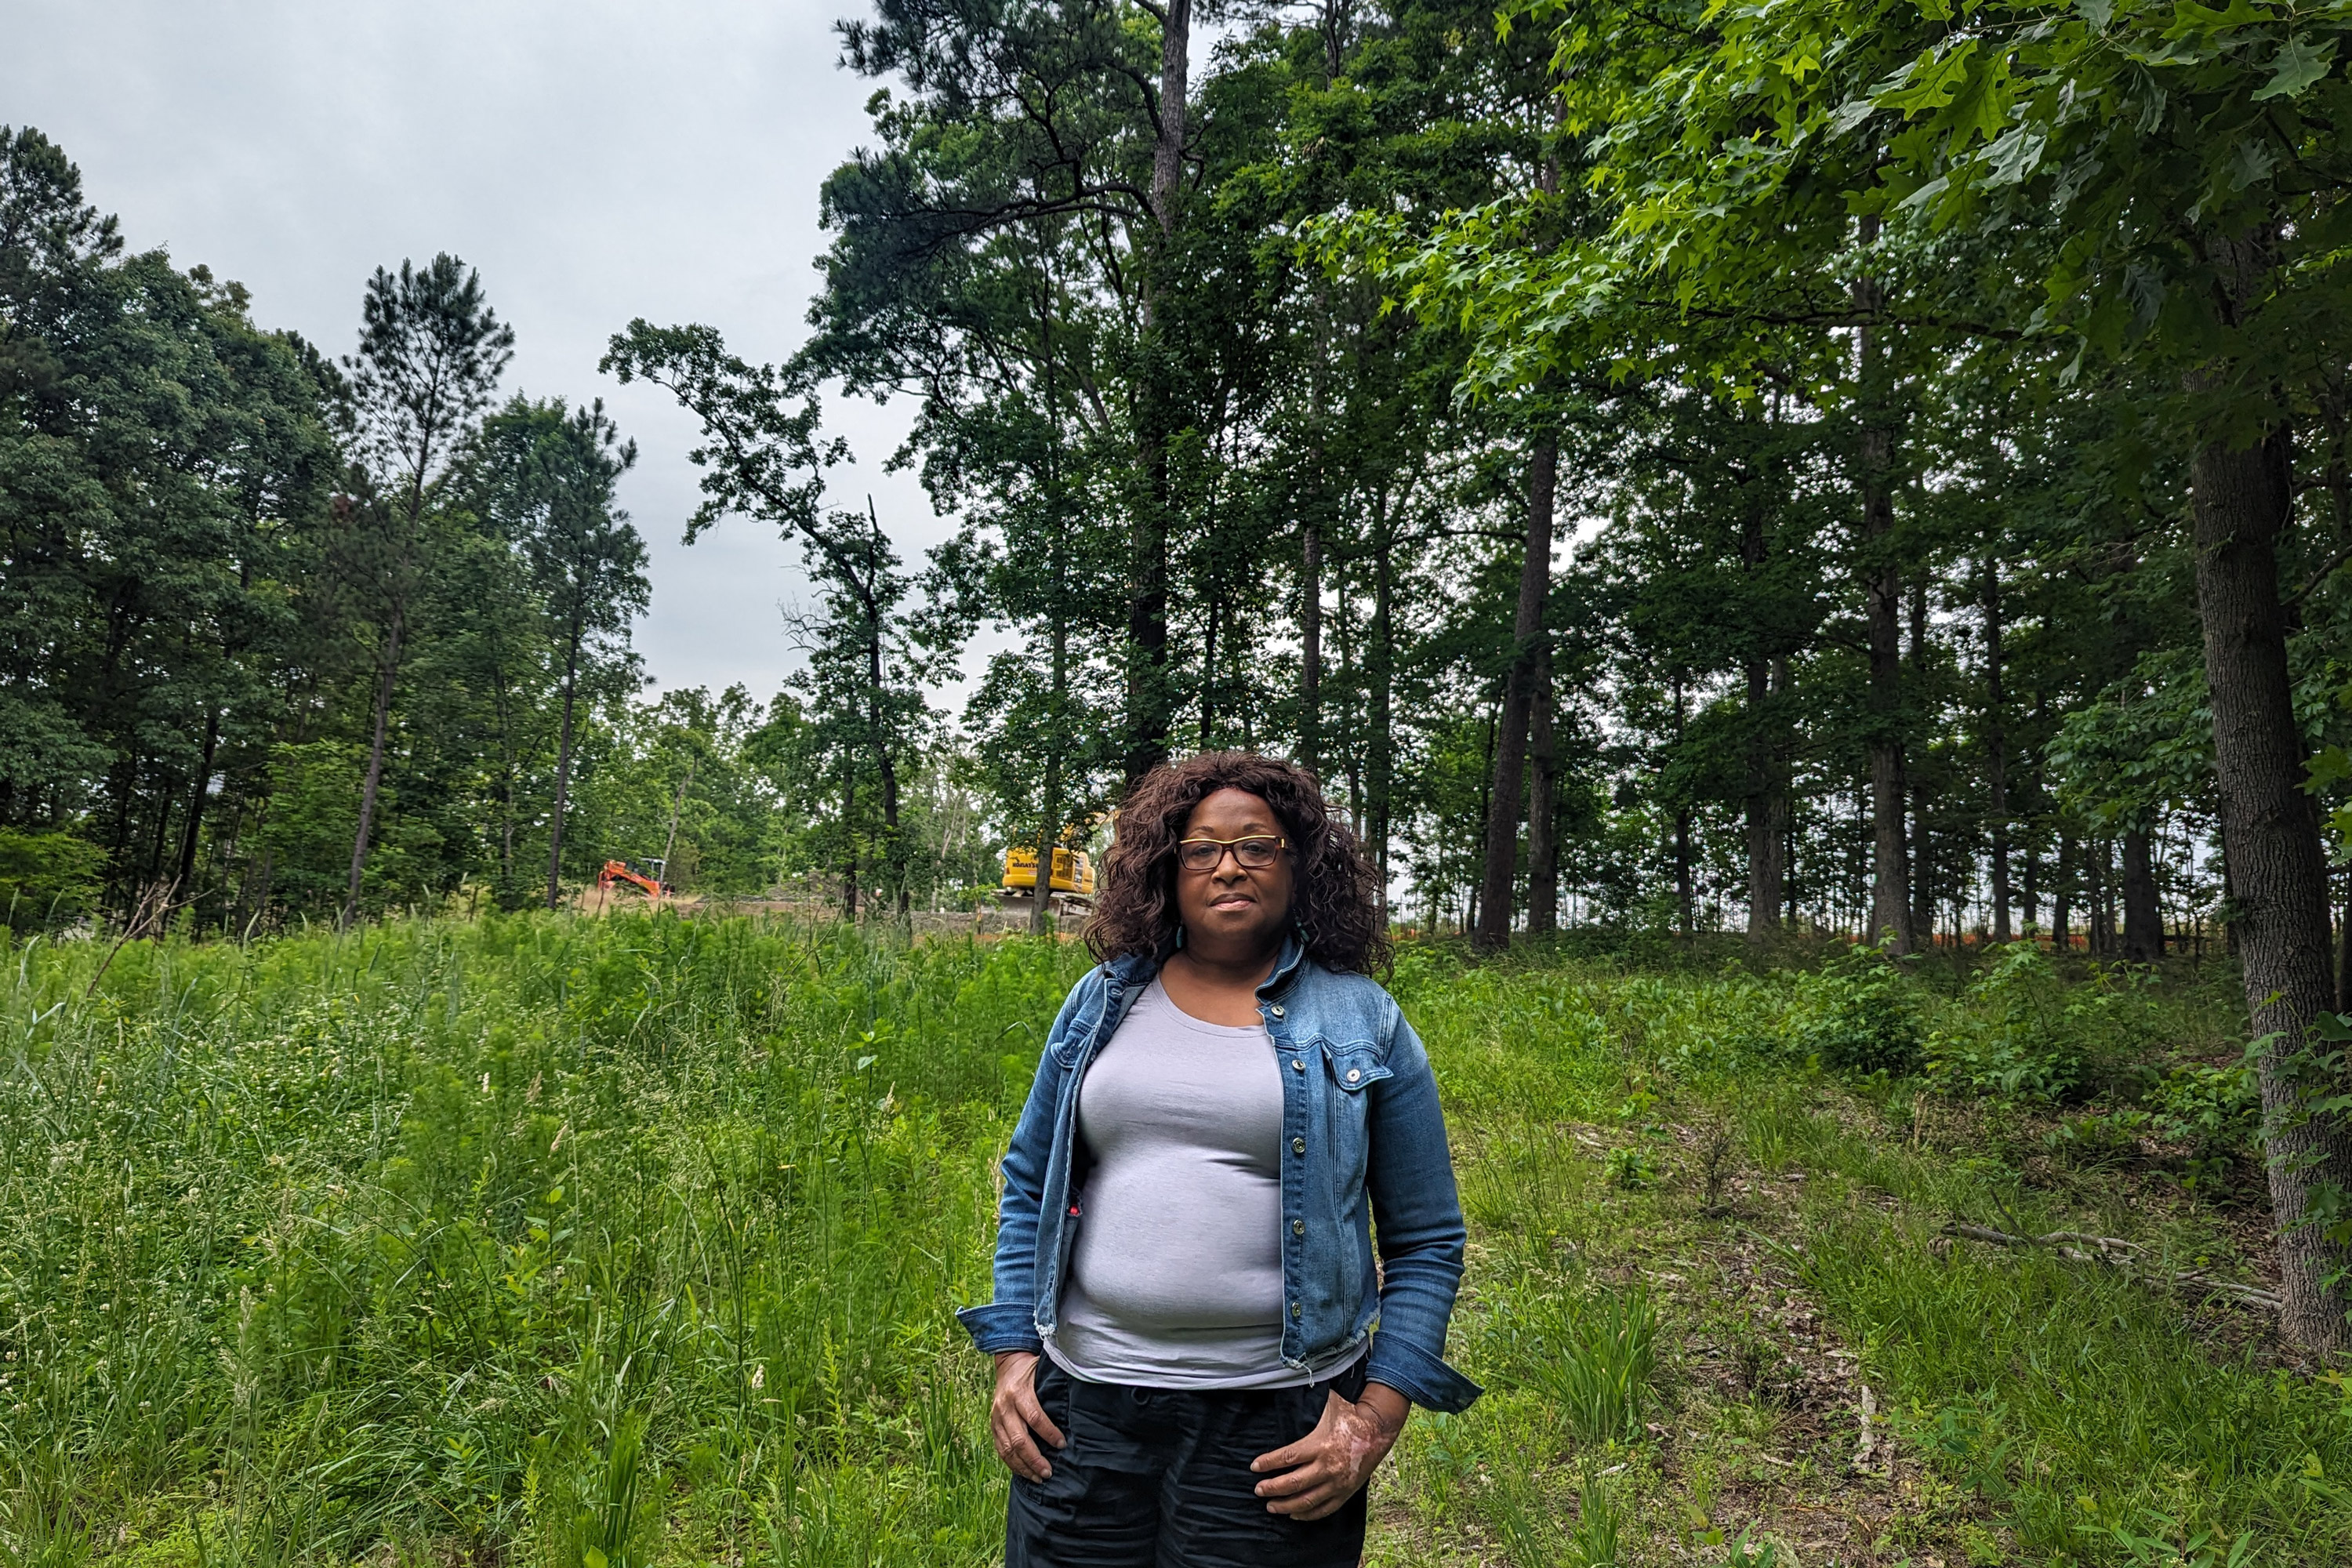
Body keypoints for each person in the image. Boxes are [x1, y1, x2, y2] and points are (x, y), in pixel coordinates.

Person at [956, 752, 1480, 1567]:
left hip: (1276, 1424)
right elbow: (1030, 1180)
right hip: (1084, 1409)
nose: (1228, 864)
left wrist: (1374, 1419)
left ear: (1299, 862)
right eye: (1201, 847)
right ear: (1167, 868)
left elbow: (1426, 1239)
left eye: (1257, 844)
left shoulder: (1363, 1018)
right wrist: (1015, 1352)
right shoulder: (1102, 1000)